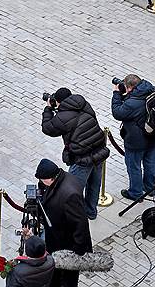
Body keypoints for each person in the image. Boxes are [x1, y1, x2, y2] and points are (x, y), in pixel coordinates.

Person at [41, 87, 110, 219]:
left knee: (72, 189)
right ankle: (91, 212)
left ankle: (75, 216)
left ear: (58, 101)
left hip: (82, 158)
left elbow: (47, 128)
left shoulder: (62, 117)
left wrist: (48, 109)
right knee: (94, 184)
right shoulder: (83, 103)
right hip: (99, 150)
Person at [34, 158, 92, 287]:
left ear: (51, 178)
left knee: (68, 277)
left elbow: (80, 224)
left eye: (43, 180)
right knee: (56, 272)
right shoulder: (63, 178)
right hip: (57, 237)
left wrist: (77, 251)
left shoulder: (70, 194)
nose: (41, 183)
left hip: (68, 245)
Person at [112, 74, 155, 201]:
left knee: (134, 166)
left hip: (137, 142)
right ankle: (150, 189)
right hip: (154, 137)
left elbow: (117, 112)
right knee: (150, 163)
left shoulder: (132, 103)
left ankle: (136, 193)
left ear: (129, 87)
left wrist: (117, 94)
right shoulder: (154, 90)